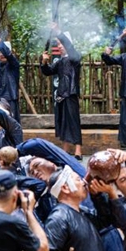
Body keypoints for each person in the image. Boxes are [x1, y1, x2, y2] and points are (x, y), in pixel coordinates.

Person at [41, 23, 83, 160]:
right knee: (63, 123)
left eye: (61, 44)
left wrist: (58, 32)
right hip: (61, 95)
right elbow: (47, 72)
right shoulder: (59, 62)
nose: (59, 46)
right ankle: (65, 151)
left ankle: (78, 150)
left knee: (74, 122)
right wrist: (44, 62)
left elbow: (70, 48)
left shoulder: (75, 58)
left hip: (70, 94)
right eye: (58, 44)